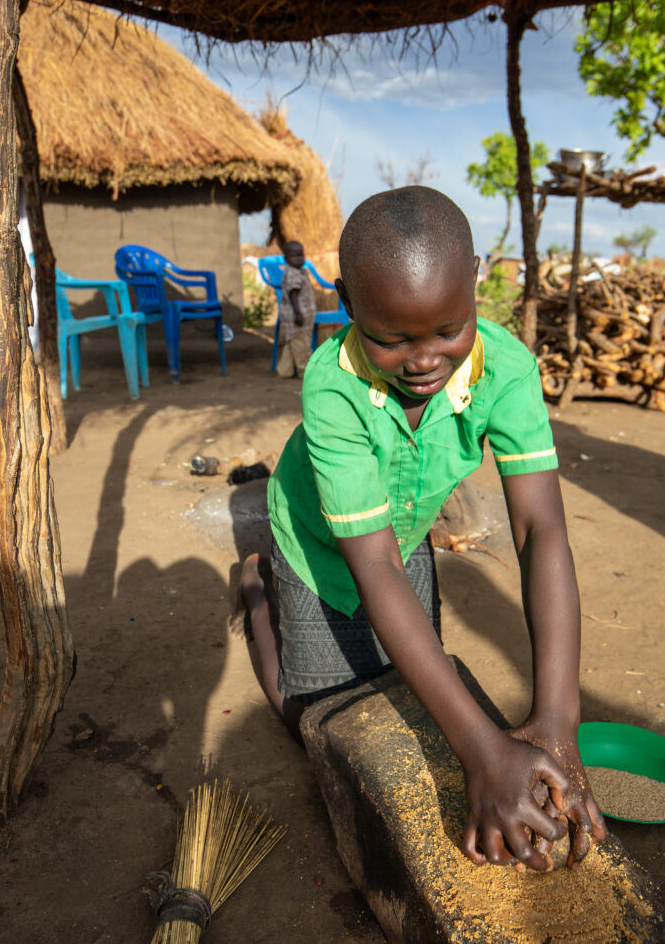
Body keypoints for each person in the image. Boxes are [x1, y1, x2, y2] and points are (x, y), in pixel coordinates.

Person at [242, 186, 606, 872]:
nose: (424, 360)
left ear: (473, 279)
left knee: (406, 697)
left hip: (400, 540)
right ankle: (260, 594)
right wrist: (483, 749)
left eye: (448, 329)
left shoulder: (509, 370)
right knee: (316, 723)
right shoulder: (332, 384)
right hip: (323, 547)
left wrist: (558, 720)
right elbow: (369, 564)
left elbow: (540, 532)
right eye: (392, 338)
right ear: (348, 304)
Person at [276, 240, 316, 378]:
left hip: (301, 317)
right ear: (286, 258)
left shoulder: (299, 272)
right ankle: (305, 371)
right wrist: (298, 313)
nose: (300, 258)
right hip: (297, 317)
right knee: (301, 346)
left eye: (301, 255)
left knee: (292, 343)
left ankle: (284, 371)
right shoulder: (292, 273)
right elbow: (293, 294)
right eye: (295, 256)